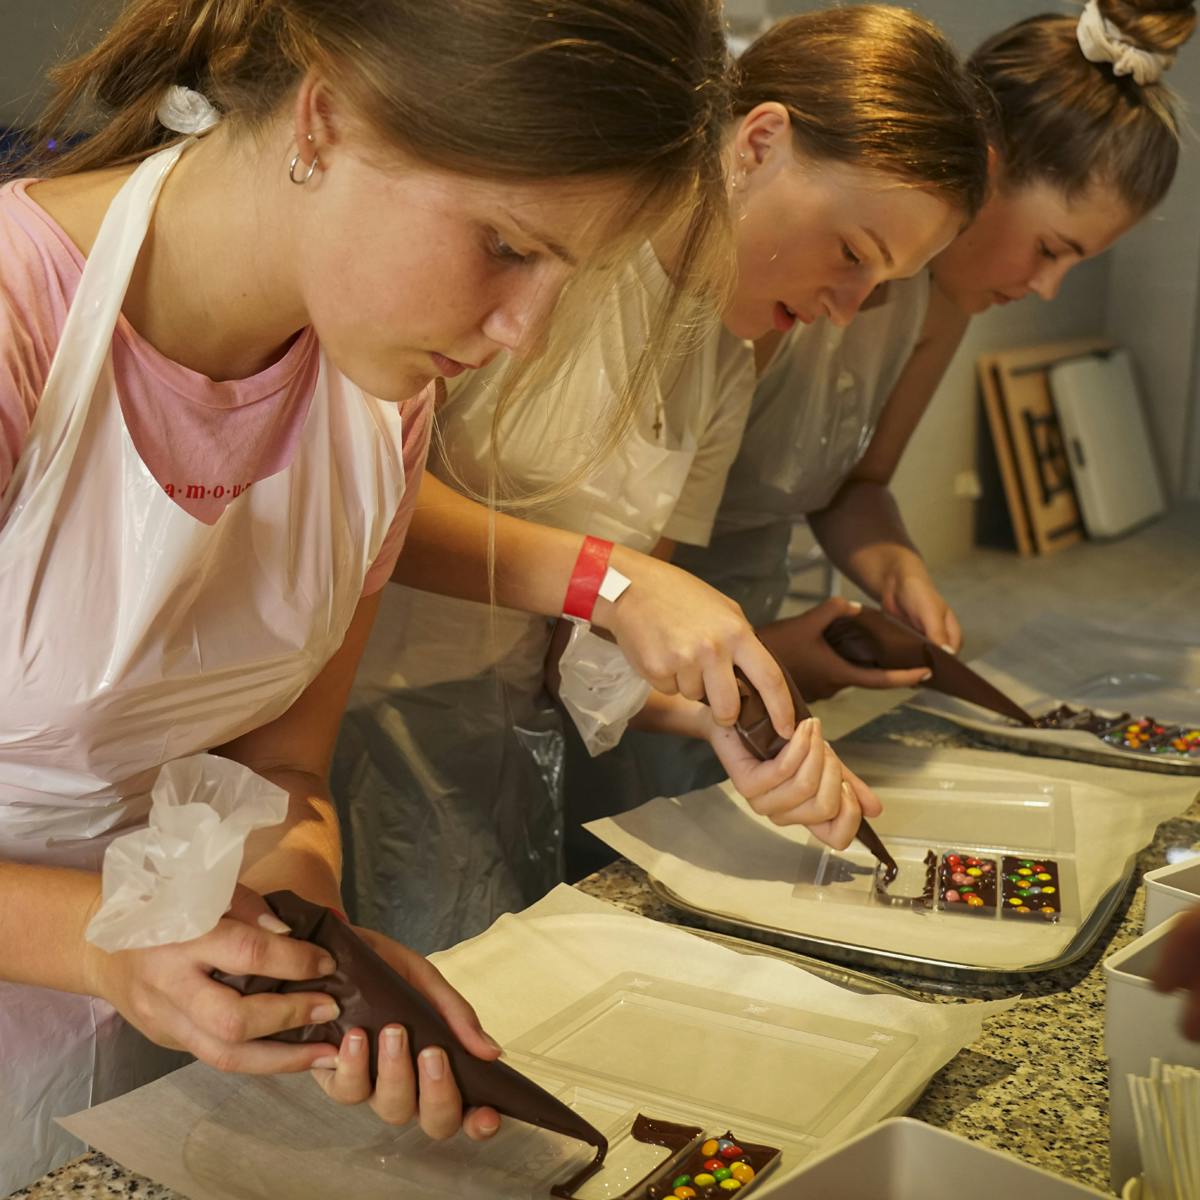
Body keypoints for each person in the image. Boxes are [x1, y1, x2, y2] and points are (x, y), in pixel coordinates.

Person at [0, 0, 742, 1187]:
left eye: (570, 274)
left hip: (142, 1059)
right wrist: (101, 948)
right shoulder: (15, 322)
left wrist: (310, 939)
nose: (524, 334)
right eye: (508, 244)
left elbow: (282, 774)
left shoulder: (378, 408)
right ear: (326, 116)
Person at [332, 4, 990, 948]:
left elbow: (583, 654)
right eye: (852, 255)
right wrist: (618, 583)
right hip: (333, 722)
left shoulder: (721, 362)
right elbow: (359, 496)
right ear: (760, 141)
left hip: (493, 742)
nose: (848, 310)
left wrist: (734, 721)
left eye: (877, 287)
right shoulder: (551, 245)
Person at [640, 0, 1197, 801]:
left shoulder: (940, 304)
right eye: (1050, 249)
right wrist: (751, 652)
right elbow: (625, 561)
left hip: (723, 651)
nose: (1046, 288)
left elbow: (857, 484)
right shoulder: (777, 284)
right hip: (656, 644)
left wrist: (897, 571)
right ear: (987, 173)